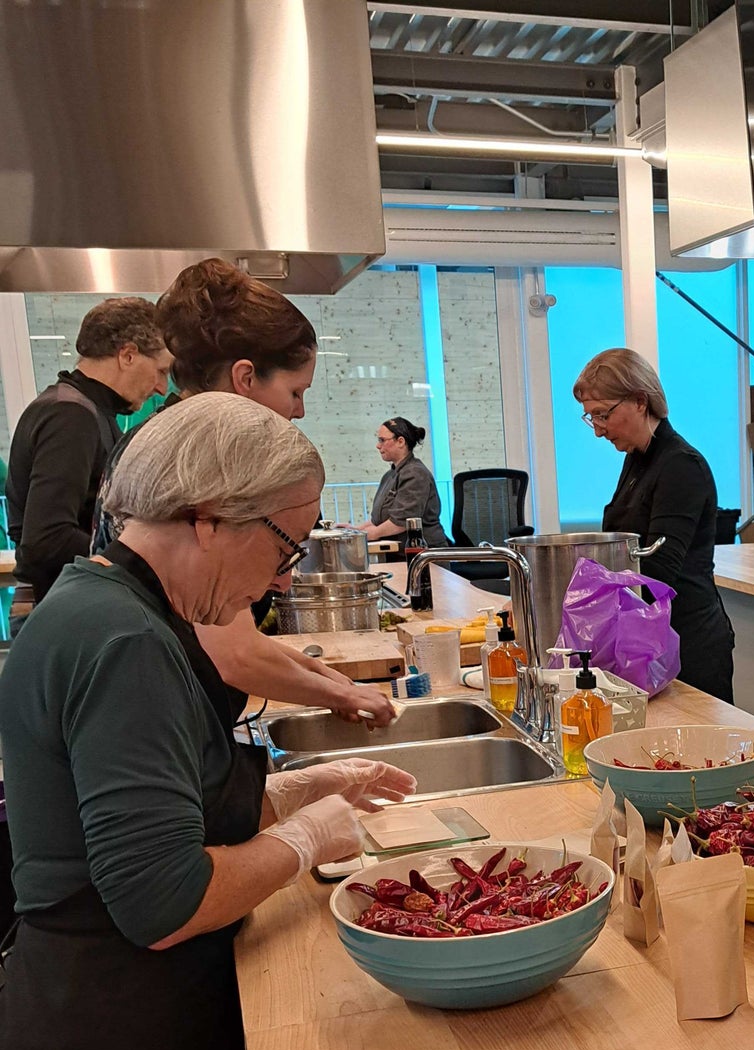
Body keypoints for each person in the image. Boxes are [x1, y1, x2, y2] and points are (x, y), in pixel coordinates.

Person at [0, 393, 415, 1050]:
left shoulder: (109, 604)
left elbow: (159, 810)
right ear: (206, 517)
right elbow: (162, 895)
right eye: (282, 540)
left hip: (113, 1025)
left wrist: (299, 791)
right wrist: (305, 838)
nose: (281, 575)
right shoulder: (124, 638)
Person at [94, 257, 397, 727]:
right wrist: (340, 694)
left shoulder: (177, 443)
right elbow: (232, 655)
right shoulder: (199, 465)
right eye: (295, 392)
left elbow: (232, 637)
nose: (299, 412)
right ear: (245, 378)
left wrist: (336, 684)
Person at [575, 347, 737, 701]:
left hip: (687, 646)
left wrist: (581, 600)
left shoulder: (681, 466)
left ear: (639, 401)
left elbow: (656, 573)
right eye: (590, 418)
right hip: (649, 643)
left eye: (603, 414)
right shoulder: (637, 460)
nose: (598, 431)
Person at [6, 296, 171, 604]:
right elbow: (46, 540)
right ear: (128, 355)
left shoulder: (82, 409)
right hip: (61, 604)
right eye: (161, 370)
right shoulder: (71, 415)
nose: (162, 387)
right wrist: (145, 557)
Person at [364, 415, 448, 546]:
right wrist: (354, 530)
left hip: (421, 554)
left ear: (401, 442)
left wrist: (367, 535)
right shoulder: (390, 475)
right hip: (399, 552)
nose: (378, 446)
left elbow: (401, 521)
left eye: (382, 440)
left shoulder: (415, 474)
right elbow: (380, 520)